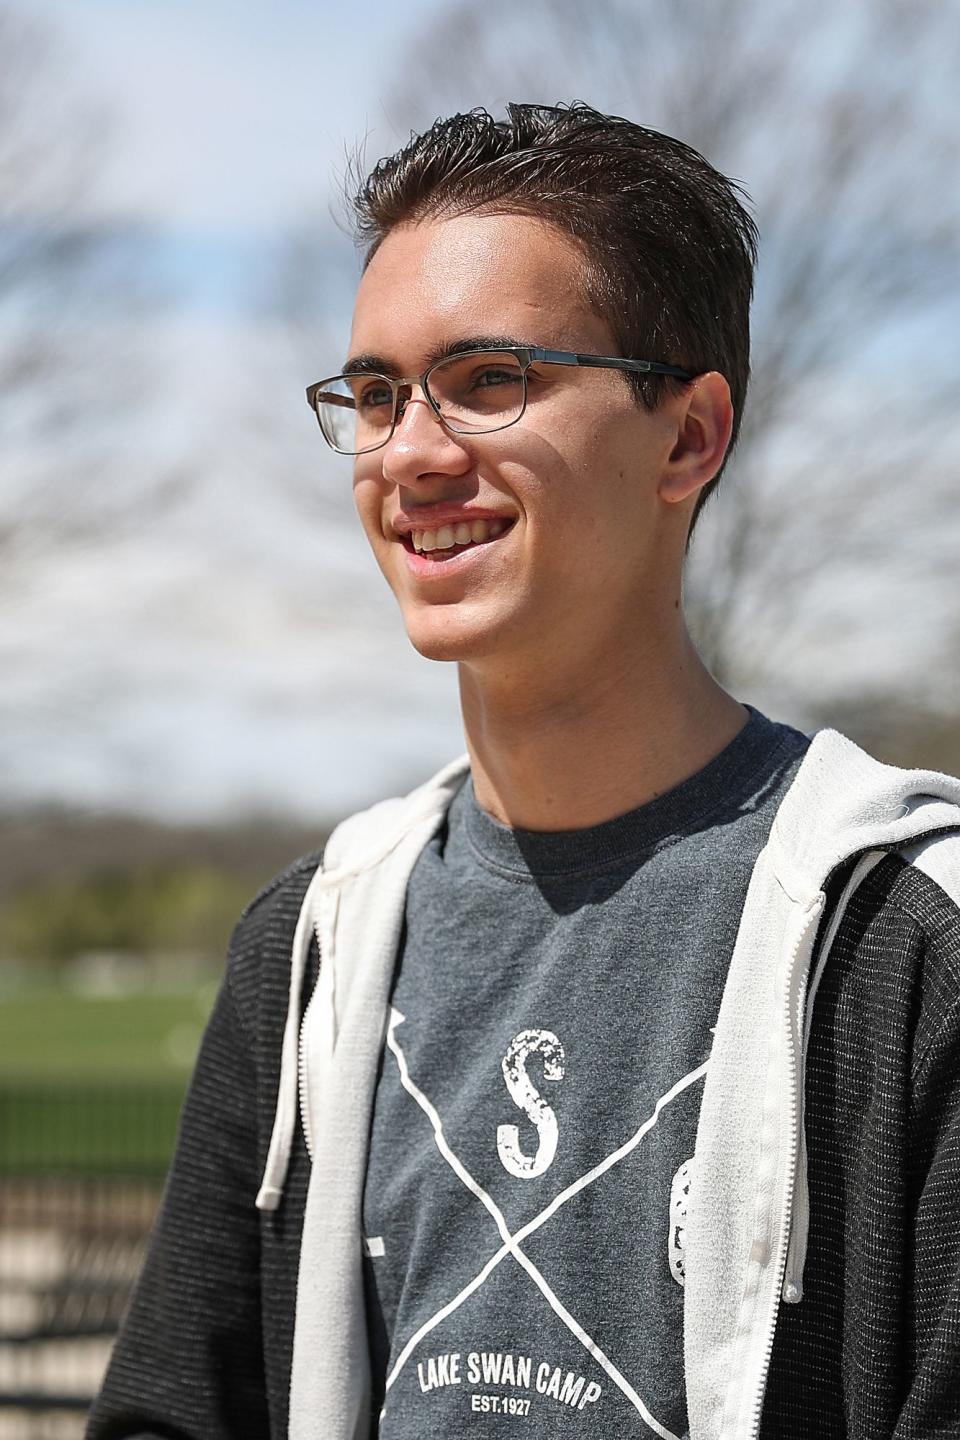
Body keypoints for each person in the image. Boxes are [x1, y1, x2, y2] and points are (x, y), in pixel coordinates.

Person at [87, 102, 960, 1440]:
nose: (415, 454)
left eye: (490, 378)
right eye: (376, 394)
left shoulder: (910, 949)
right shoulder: (314, 946)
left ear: (688, 439)